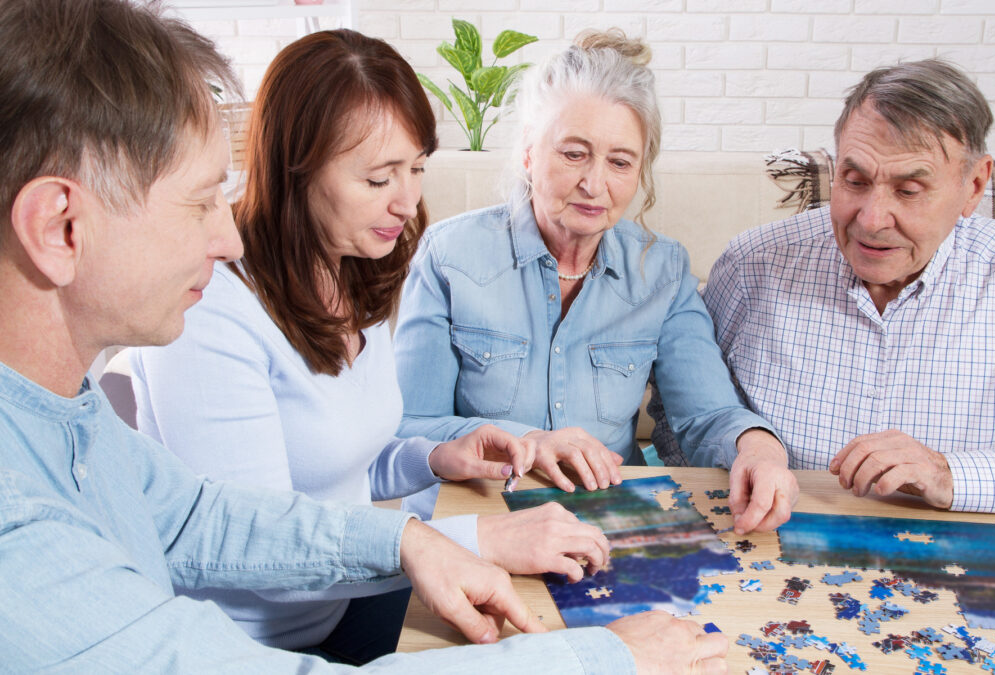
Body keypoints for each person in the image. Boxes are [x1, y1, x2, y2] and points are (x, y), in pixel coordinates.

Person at [0, 1, 728, 672]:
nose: (227, 239)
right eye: (199, 204)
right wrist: (601, 659)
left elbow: (200, 517)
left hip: (344, 603)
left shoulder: (69, 411)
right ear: (59, 227)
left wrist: (408, 536)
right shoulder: (18, 532)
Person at [129, 28, 616, 664]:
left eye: (415, 169)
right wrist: (480, 537)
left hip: (344, 605)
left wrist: (434, 458)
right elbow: (260, 544)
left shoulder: (355, 265)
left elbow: (336, 470)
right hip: (256, 648)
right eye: (378, 178)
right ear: (294, 169)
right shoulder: (207, 310)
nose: (407, 200)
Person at [393, 29, 797, 535]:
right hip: (478, 527)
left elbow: (705, 414)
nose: (595, 184)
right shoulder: (449, 256)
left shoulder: (663, 271)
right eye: (573, 153)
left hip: (609, 530)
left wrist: (758, 447)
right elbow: (408, 428)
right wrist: (531, 440)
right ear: (527, 153)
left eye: (620, 162)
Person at [651, 59, 995, 524]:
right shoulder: (751, 266)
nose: (872, 220)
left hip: (952, 552)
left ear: (973, 186)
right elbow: (678, 416)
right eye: (855, 182)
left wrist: (952, 475)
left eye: (910, 189)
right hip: (765, 538)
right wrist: (743, 459)